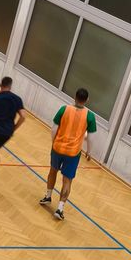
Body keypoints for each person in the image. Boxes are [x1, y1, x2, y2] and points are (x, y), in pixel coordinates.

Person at [39, 88, 96, 220]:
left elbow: (54, 129)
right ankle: (59, 209)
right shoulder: (90, 116)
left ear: (74, 97)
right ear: (87, 100)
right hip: (73, 152)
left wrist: (54, 143)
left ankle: (48, 196)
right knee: (67, 180)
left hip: (58, 148)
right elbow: (91, 137)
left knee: (52, 171)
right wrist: (89, 151)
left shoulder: (64, 109)